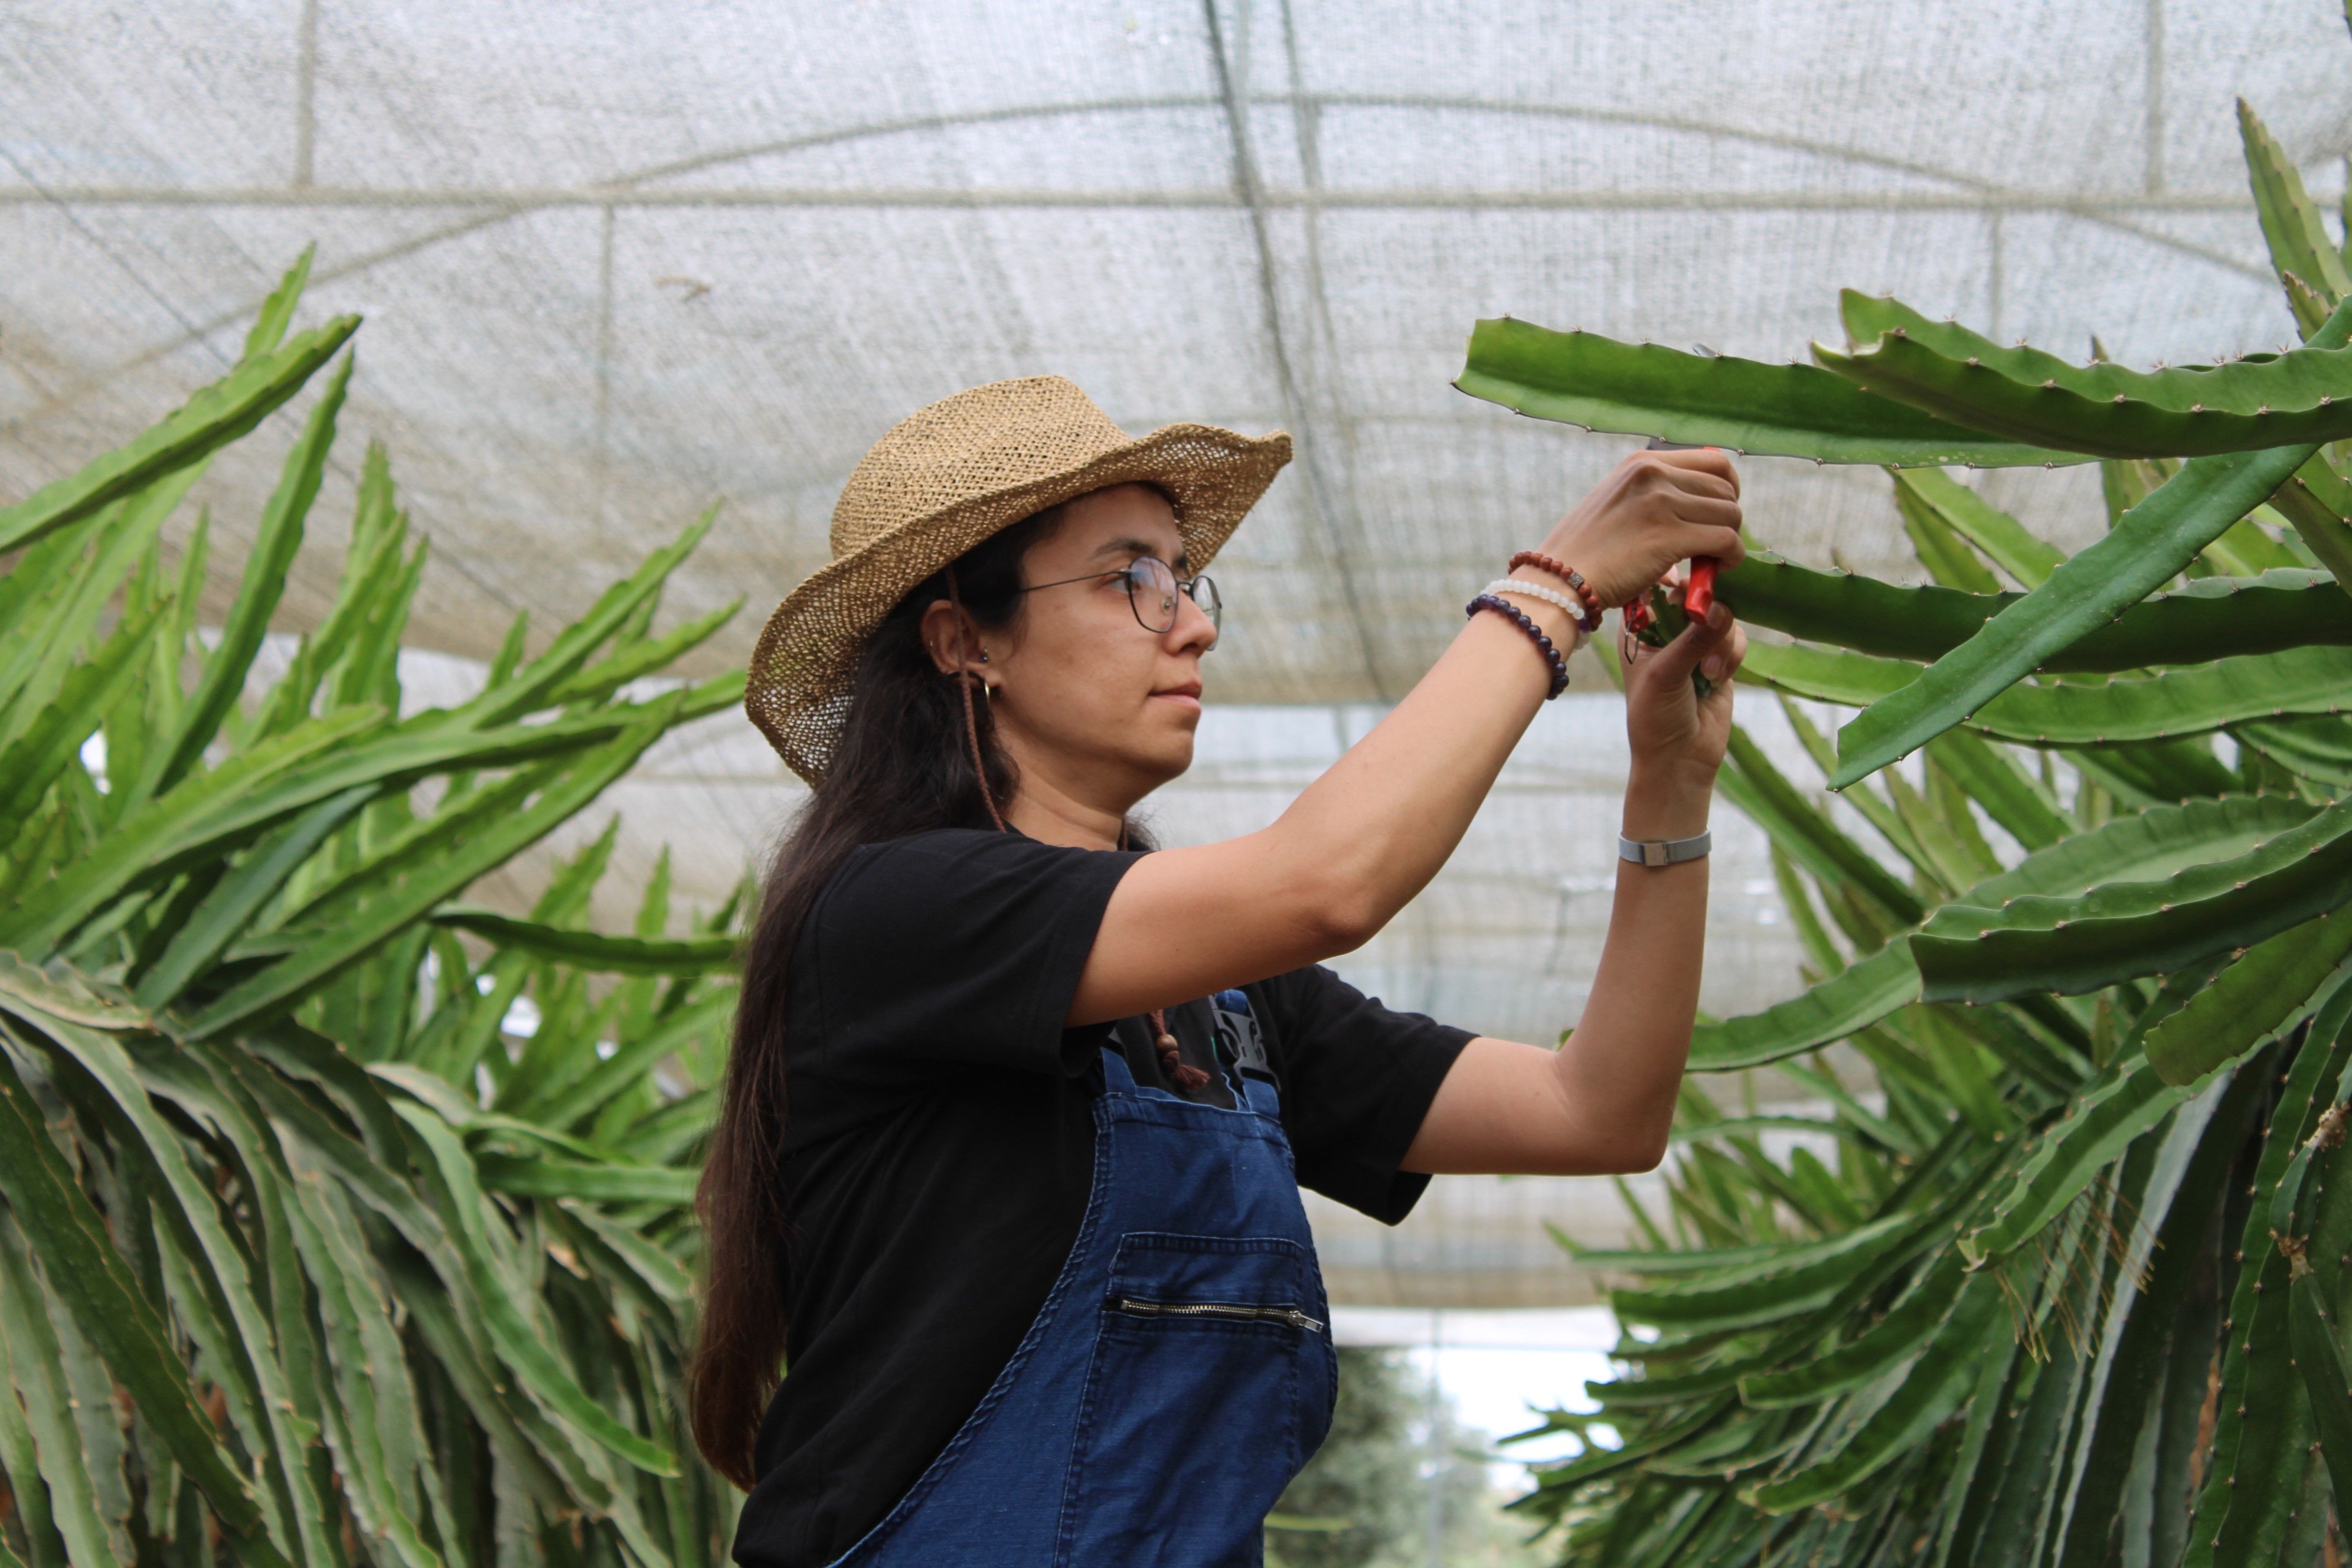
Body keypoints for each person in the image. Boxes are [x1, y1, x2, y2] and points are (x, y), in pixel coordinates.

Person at [699, 375, 1747, 1567]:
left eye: (1182, 581)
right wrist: (1550, 587)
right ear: (965, 640)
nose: (1190, 622)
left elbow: (1600, 1109)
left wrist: (1670, 777)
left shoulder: (1227, 999)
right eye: (1128, 578)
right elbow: (1328, 883)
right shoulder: (894, 911)